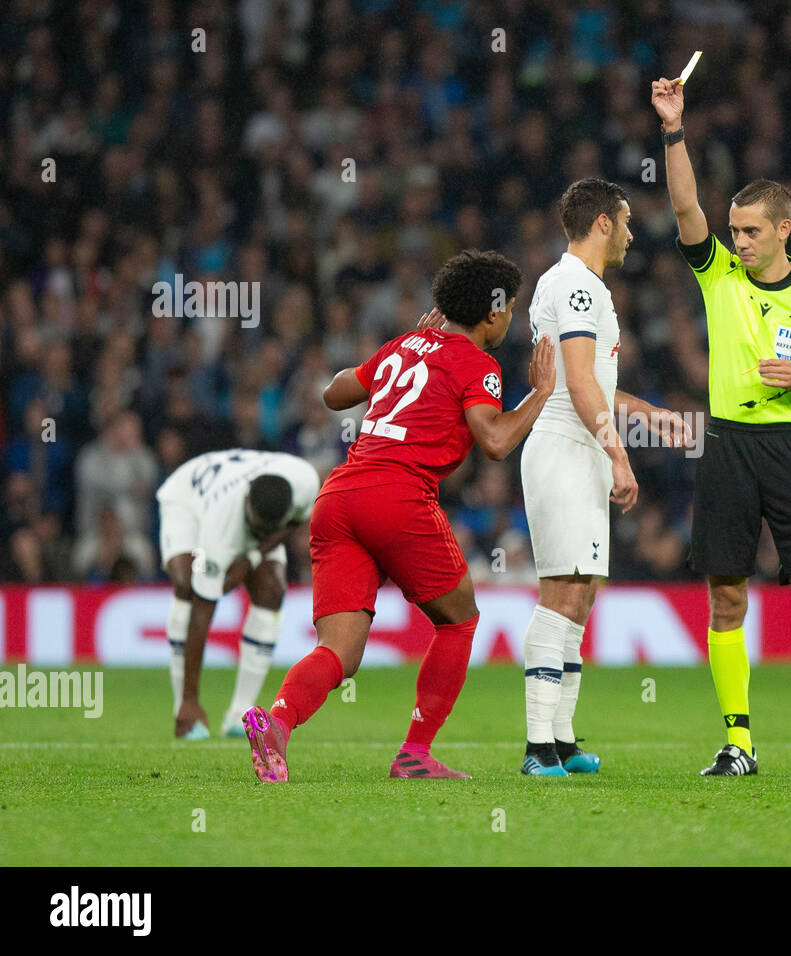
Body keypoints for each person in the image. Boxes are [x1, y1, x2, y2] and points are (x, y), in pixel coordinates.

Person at [241, 250, 555, 782]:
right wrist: (542, 393)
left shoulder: (403, 346)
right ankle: (414, 754)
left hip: (339, 498)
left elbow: (333, 392)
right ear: (490, 314)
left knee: (339, 650)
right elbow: (497, 441)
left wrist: (402, 352)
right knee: (460, 619)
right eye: (509, 307)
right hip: (399, 497)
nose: (511, 318)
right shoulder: (479, 364)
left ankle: (278, 723)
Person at [653, 76, 791, 777]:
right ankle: (738, 742)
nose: (735, 240)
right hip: (728, 446)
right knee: (726, 595)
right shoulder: (720, 278)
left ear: (782, 229)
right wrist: (673, 129)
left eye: (748, 230)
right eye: (732, 229)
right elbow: (685, 204)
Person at [518, 178, 688, 776]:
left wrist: (652, 417)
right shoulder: (575, 285)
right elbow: (582, 384)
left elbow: (596, 384)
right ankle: (538, 749)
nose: (633, 232)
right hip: (566, 446)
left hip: (579, 445)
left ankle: (561, 741)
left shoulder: (580, 286)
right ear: (602, 225)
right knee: (562, 591)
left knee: (583, 594)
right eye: (626, 220)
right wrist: (619, 454)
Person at [157, 448, 320, 739]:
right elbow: (202, 610)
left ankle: (240, 714)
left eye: (266, 531)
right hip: (188, 496)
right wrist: (191, 698)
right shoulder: (220, 530)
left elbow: (295, 523)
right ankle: (184, 707)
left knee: (272, 590)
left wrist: (253, 557)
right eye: (257, 529)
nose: (260, 535)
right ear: (247, 503)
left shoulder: (305, 481)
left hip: (237, 488)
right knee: (185, 585)